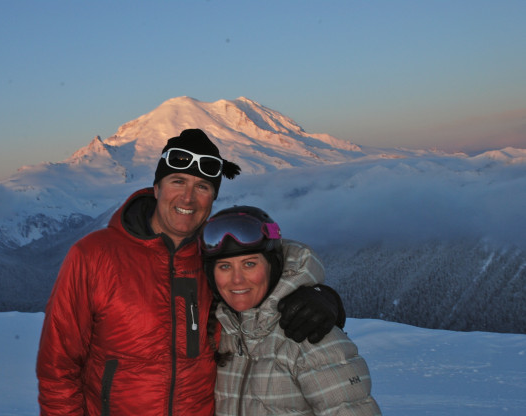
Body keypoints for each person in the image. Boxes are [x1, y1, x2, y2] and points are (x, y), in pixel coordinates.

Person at [36, 128, 346, 416]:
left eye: (202, 187)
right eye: (177, 182)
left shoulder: (214, 254)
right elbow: (57, 368)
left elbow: (271, 264)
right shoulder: (94, 255)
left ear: (213, 198)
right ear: (156, 188)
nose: (188, 197)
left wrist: (323, 296)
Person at [201, 205, 382, 415]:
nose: (237, 279)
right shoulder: (221, 333)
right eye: (224, 266)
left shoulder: (308, 333)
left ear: (273, 266)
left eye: (249, 264)